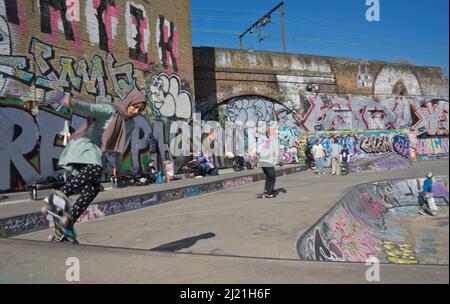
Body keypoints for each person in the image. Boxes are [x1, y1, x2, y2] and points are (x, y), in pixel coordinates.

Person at [56, 89, 146, 239]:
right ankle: (61, 193)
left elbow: (119, 148)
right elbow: (90, 109)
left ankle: (67, 223)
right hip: (85, 145)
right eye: (134, 107)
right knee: (95, 169)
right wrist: (72, 103)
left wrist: (120, 168)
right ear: (129, 102)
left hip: (96, 153)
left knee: (94, 188)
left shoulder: (131, 124)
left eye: (140, 110)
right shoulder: (110, 111)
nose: (136, 111)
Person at [257, 128, 279, 198]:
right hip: (267, 161)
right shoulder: (271, 140)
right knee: (271, 176)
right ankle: (268, 192)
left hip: (264, 161)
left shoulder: (266, 140)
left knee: (269, 176)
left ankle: (268, 190)